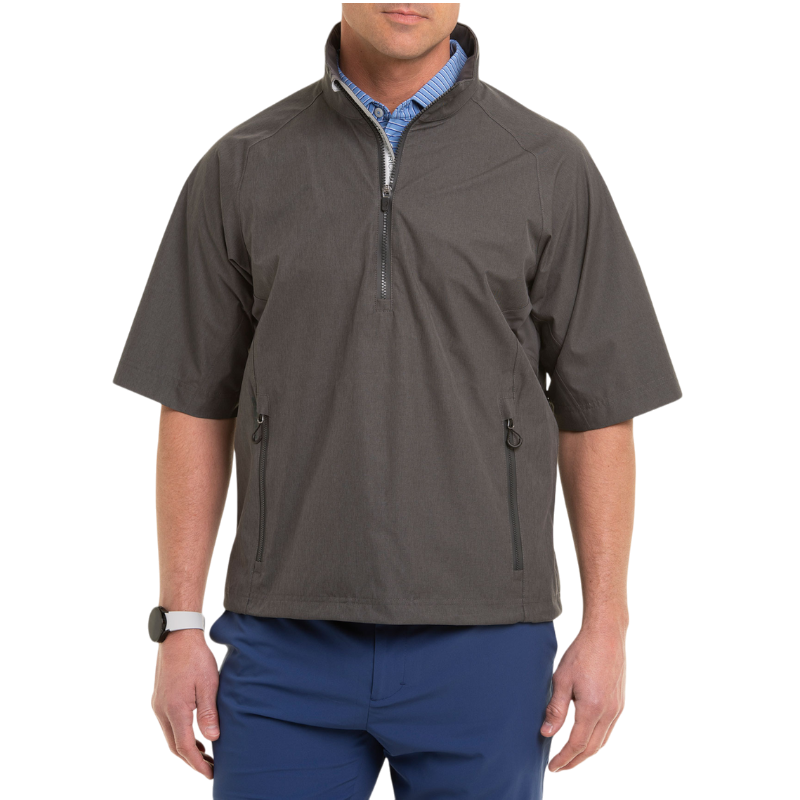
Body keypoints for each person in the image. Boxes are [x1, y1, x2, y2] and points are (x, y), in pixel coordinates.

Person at [115, 4, 682, 798]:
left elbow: (599, 415)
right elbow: (193, 404)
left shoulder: (550, 164)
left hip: (489, 645)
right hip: (281, 645)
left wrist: (608, 629)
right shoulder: (241, 164)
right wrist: (179, 626)